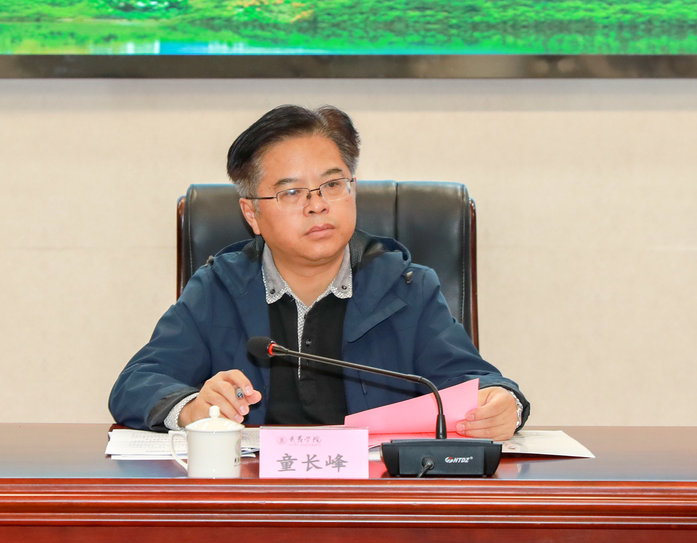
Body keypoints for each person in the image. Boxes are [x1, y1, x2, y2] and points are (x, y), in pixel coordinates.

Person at [109, 105, 529, 441]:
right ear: (251, 214)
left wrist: (503, 403)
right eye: (292, 192)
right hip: (253, 503)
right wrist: (192, 408)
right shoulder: (219, 288)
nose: (318, 205)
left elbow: (474, 382)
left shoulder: (406, 288)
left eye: (333, 184)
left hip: (375, 503)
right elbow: (137, 383)